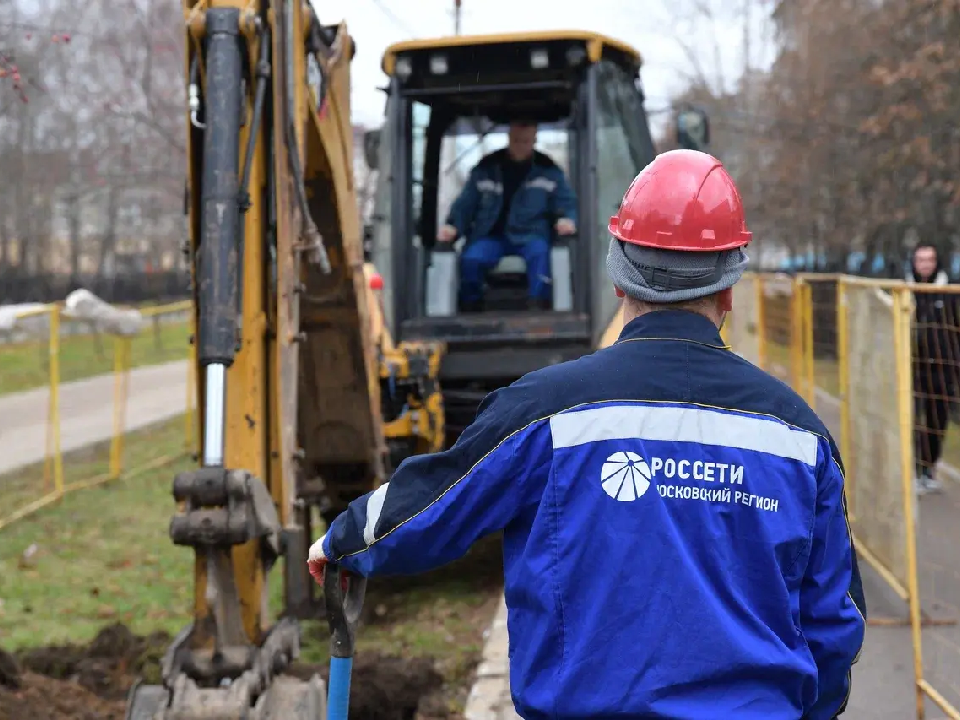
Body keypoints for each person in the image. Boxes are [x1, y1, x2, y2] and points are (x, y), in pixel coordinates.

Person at [309, 150, 866, 719]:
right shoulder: (801, 437)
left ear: (619, 278)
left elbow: (432, 505)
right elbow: (835, 620)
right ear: (729, 289)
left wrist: (343, 542)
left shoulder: (543, 412)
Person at [437, 120, 577, 311]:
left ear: (534, 140)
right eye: (516, 140)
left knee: (540, 255)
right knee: (471, 259)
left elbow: (565, 202)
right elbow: (465, 203)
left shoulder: (549, 171)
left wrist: (566, 219)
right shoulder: (486, 168)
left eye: (525, 141)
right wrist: (452, 225)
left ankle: (538, 306)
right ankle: (471, 306)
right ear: (509, 138)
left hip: (531, 235)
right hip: (491, 236)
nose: (520, 145)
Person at [901, 243, 960, 494]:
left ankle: (929, 470)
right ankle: (914, 470)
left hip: (942, 369)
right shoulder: (902, 291)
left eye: (930, 259)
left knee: (938, 421)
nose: (925, 264)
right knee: (912, 420)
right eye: (921, 259)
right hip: (910, 368)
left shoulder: (949, 292)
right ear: (914, 262)